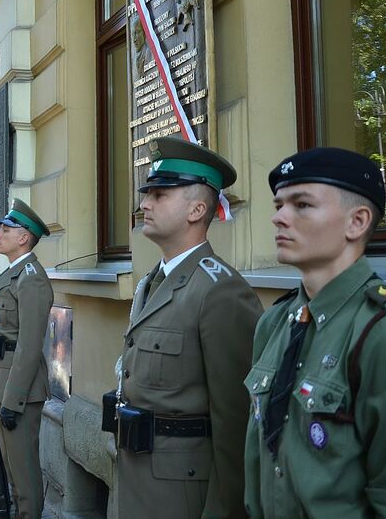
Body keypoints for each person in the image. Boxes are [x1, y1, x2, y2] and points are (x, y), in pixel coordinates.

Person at [244, 148, 386, 517]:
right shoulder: (275, 323)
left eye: (301, 205)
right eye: (279, 204)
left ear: (357, 222)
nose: (279, 218)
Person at [110, 137, 262, 518]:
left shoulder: (221, 291)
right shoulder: (151, 282)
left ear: (197, 209)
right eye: (147, 194)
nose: (144, 203)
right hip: (135, 478)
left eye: (159, 194)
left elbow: (236, 422)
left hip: (180, 495)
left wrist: (224, 510)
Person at [0, 198, 54, 519]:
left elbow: (29, 344)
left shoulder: (31, 277)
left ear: (23, 237)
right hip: (0, 379)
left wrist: (12, 400)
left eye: (5, 229)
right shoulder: (12, 273)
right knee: (12, 471)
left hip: (17, 388)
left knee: (24, 477)